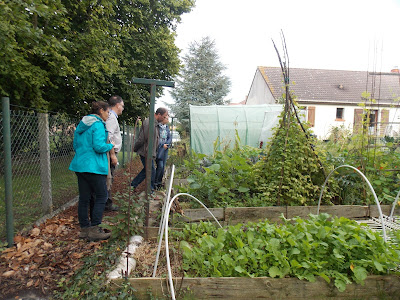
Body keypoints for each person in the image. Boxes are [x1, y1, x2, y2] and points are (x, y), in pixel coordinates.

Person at [69, 101, 115, 241]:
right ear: (101, 111)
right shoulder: (98, 124)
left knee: (84, 198)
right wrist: (111, 145)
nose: (108, 115)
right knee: (102, 196)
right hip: (94, 167)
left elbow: (76, 145)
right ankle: (95, 228)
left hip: (80, 166)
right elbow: (99, 147)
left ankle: (84, 229)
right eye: (107, 112)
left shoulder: (82, 124)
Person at [131, 107, 169, 191]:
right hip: (146, 152)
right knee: (151, 171)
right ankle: (150, 191)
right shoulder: (149, 123)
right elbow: (141, 138)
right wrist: (135, 148)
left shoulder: (155, 124)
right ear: (159, 114)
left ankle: (132, 186)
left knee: (146, 171)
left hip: (150, 152)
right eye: (164, 116)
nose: (164, 119)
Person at [104, 95, 124, 211]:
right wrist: (112, 155)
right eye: (122, 106)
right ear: (117, 105)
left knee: (109, 178)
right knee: (108, 178)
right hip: (110, 153)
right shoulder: (111, 117)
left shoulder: (111, 117)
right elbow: (108, 137)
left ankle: (107, 202)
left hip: (111, 152)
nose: (122, 108)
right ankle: (106, 204)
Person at [155, 114, 172, 189]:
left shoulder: (167, 127)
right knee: (160, 166)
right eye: (167, 119)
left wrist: (167, 144)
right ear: (163, 119)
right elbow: (156, 139)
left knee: (163, 166)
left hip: (165, 150)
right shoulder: (157, 127)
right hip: (159, 149)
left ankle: (159, 183)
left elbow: (169, 137)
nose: (168, 120)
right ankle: (155, 182)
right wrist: (162, 145)